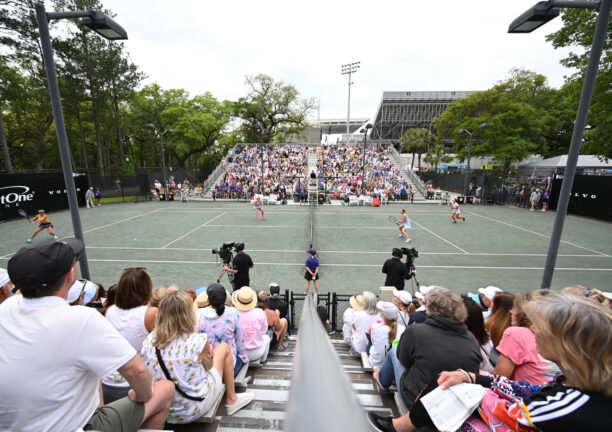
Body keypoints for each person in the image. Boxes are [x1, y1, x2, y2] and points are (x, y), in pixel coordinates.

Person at [370, 292, 612, 432]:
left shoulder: (570, 405)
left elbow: (509, 413)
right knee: (451, 380)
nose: (535, 329)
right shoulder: (572, 386)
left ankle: (399, 426)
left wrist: (465, 387)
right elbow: (530, 391)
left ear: (566, 346)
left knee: (444, 386)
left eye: (544, 328)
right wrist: (473, 377)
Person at [0, 239, 175, 432]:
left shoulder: (6, 308)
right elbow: (137, 371)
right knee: (165, 389)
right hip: (77, 426)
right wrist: (143, 395)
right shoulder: (81, 318)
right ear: (70, 274)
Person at [141, 291, 254, 423]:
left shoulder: (149, 341)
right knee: (223, 348)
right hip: (193, 408)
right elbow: (209, 367)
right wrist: (209, 354)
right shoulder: (197, 341)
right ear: (187, 314)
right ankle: (232, 398)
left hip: (164, 408)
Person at [371, 287, 481, 409]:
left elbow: (403, 359)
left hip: (418, 401)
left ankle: (382, 380)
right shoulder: (472, 339)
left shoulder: (416, 331)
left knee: (394, 351)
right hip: (455, 407)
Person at [102, 268, 159, 403]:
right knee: (168, 387)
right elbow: (164, 346)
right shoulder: (150, 313)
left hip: (107, 384)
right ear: (146, 289)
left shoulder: (109, 311)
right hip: (136, 387)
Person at [491, 292, 560, 385]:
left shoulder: (516, 333)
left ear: (523, 314)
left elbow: (498, 378)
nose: (511, 311)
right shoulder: (555, 336)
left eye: (514, 308)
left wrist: (473, 375)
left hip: (527, 396)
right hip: (552, 393)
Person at [197, 283, 249, 377]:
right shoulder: (232, 313)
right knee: (239, 357)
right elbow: (239, 339)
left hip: (207, 367)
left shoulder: (199, 314)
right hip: (228, 368)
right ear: (225, 299)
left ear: (208, 300)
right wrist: (244, 358)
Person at [232, 286, 270, 363]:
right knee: (266, 337)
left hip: (237, 352)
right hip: (256, 352)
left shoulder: (232, 312)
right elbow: (263, 331)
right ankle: (263, 359)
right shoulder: (260, 312)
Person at [369, 301, 399, 369]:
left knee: (370, 346)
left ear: (383, 315)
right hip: (393, 365)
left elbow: (373, 342)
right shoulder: (402, 328)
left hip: (376, 363)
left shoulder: (375, 326)